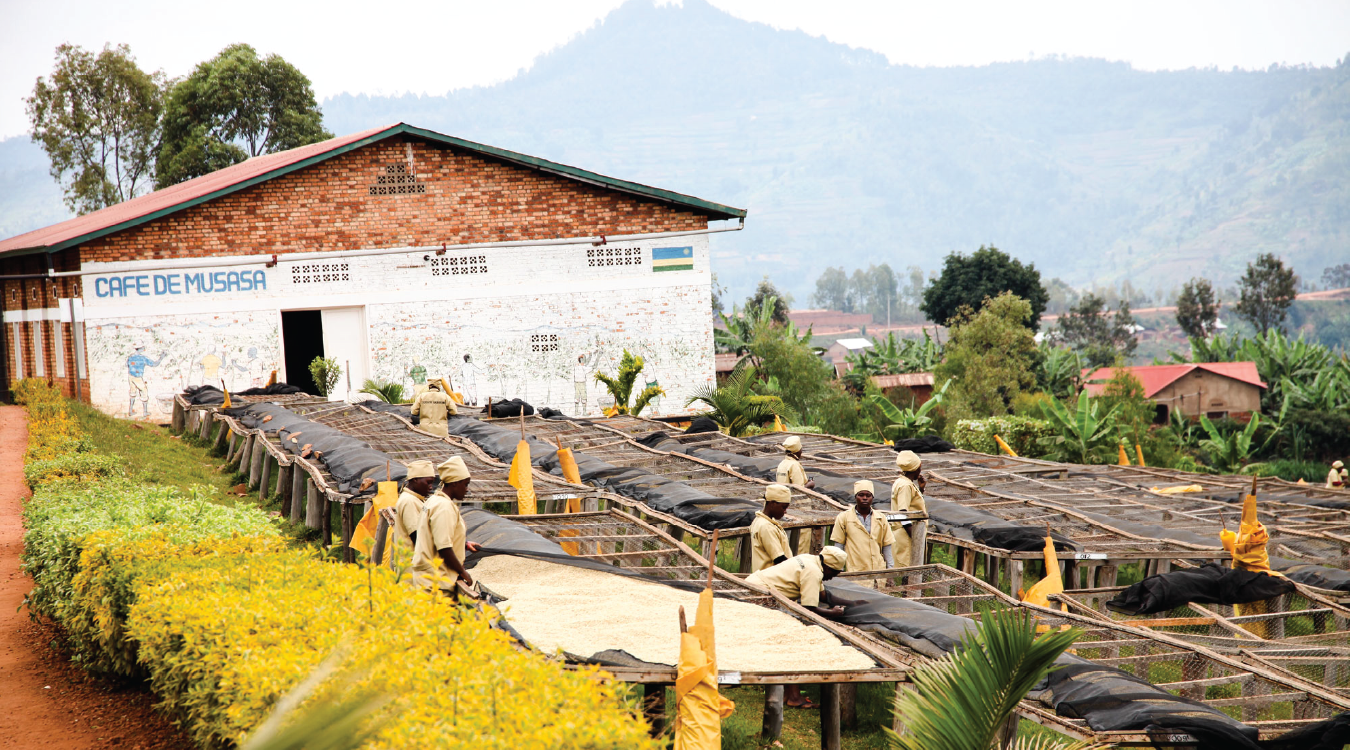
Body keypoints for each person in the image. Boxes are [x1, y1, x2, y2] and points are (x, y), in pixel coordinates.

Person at [744, 546, 850, 709]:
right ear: (828, 567)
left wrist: (852, 603)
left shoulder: (811, 560)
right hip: (758, 595)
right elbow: (808, 609)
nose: (834, 577)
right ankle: (793, 696)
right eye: (835, 573)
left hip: (755, 586)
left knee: (785, 644)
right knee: (789, 644)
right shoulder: (813, 572)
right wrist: (832, 613)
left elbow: (822, 595)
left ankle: (788, 693)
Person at [412, 457, 481, 594]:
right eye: (465, 484)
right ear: (455, 483)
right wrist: (462, 571)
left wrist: (464, 544)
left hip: (427, 579)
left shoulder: (433, 501)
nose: (467, 489)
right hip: (436, 584)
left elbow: (435, 536)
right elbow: (443, 547)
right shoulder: (444, 507)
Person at [830, 480, 896, 573]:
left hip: (878, 571)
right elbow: (839, 546)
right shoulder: (844, 518)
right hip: (855, 571)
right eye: (861, 495)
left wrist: (890, 571)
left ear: (872, 497)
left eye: (868, 495)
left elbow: (887, 546)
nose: (865, 498)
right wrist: (839, 570)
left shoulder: (881, 518)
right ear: (855, 497)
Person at [889, 450, 929, 566]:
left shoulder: (903, 482)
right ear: (916, 469)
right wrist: (915, 537)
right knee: (907, 569)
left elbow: (912, 504)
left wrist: (921, 489)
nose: (920, 471)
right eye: (920, 467)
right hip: (906, 535)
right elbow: (903, 513)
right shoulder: (905, 486)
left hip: (906, 534)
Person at [392, 460, 436, 557]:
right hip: (412, 566)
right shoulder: (409, 501)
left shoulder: (417, 500)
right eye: (428, 482)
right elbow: (418, 537)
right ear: (415, 479)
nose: (431, 487)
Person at [750, 484, 792, 572]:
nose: (785, 511)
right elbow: (779, 559)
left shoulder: (759, 520)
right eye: (783, 507)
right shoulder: (766, 527)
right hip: (771, 580)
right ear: (773, 503)